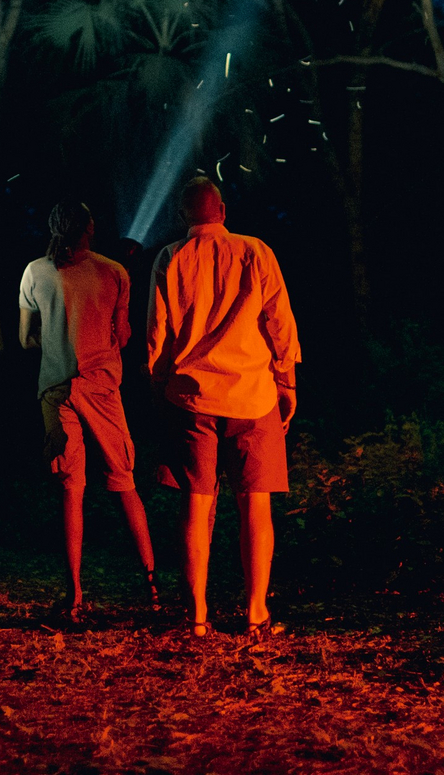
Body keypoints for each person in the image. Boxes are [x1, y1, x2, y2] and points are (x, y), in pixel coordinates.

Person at [146, 177, 300, 638]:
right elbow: (280, 320)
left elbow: (157, 333)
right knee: (256, 504)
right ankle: (256, 612)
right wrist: (286, 380)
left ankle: (197, 614)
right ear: (224, 210)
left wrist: (159, 385)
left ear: (182, 216)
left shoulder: (169, 258)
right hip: (253, 393)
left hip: (192, 397)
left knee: (196, 504)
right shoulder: (256, 251)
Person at [19, 200, 158, 622]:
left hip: (56, 390)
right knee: (124, 482)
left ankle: (75, 594)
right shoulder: (115, 272)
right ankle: (152, 587)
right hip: (100, 387)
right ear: (90, 228)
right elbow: (125, 335)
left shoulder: (34, 272)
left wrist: (56, 337)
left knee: (70, 488)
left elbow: (25, 339)